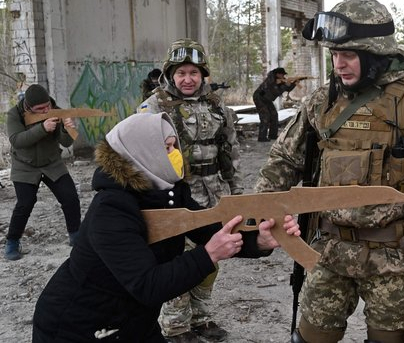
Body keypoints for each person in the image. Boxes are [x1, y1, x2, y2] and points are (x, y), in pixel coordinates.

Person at [254, 0, 404, 343]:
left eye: (348, 55)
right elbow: (284, 161)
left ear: (375, 53)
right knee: (310, 337)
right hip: (328, 251)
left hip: (394, 258)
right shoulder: (322, 101)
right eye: (334, 55)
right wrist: (257, 208)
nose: (339, 65)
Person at [32, 112, 300, 342]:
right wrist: (208, 255)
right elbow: (148, 284)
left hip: (134, 321)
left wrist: (258, 241)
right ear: (142, 153)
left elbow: (211, 228)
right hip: (80, 325)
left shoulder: (170, 192)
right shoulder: (111, 208)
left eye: (174, 146)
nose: (174, 154)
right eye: (166, 148)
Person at [137, 38, 242, 343]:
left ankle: (201, 318)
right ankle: (176, 326)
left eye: (193, 73)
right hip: (176, 197)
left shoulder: (216, 104)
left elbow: (230, 149)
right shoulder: (153, 106)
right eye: (181, 72)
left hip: (213, 195)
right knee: (177, 261)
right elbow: (141, 155)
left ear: (203, 74)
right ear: (170, 74)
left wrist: (236, 194)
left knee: (210, 257)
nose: (187, 79)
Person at [4, 84, 81, 261]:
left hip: (51, 162)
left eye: (48, 106)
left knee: (70, 197)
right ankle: (12, 242)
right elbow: (17, 141)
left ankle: (76, 235)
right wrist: (42, 128)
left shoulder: (56, 111)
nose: (46, 110)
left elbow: (67, 143)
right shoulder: (14, 115)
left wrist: (68, 128)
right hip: (24, 165)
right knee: (25, 203)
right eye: (40, 109)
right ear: (28, 107)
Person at [252, 67, 298, 142]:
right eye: (282, 75)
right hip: (260, 98)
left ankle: (272, 135)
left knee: (274, 115)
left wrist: (294, 83)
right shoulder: (271, 80)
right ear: (278, 74)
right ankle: (262, 137)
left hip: (267, 99)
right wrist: (287, 84)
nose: (284, 76)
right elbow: (277, 90)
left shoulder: (279, 81)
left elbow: (287, 88)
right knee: (265, 116)